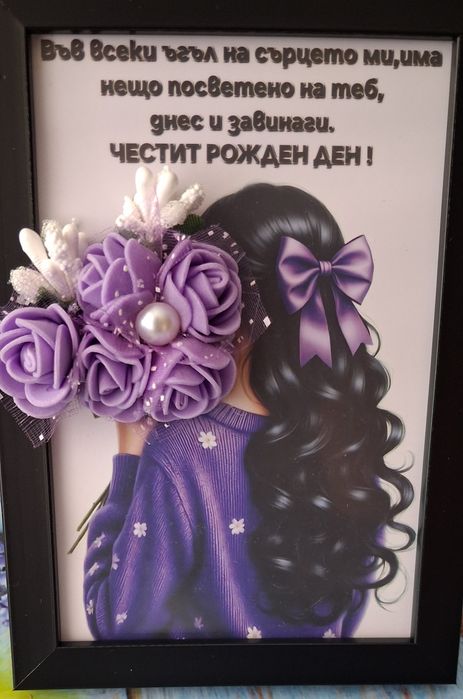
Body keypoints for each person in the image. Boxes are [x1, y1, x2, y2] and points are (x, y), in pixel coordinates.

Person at [83, 183, 414, 640]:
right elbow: (346, 613)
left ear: (227, 309)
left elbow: (117, 625)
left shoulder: (179, 450)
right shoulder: (349, 438)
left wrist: (129, 460)